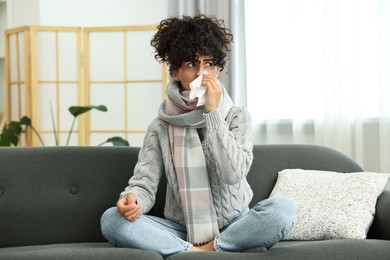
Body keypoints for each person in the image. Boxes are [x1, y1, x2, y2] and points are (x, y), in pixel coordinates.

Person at [100, 14, 295, 258]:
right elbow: (144, 184)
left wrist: (213, 114)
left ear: (219, 69)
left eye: (209, 64)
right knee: (111, 220)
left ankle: (208, 249)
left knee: (282, 210)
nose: (202, 74)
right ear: (175, 72)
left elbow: (232, 174)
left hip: (236, 223)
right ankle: (194, 250)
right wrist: (132, 199)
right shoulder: (160, 126)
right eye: (192, 64)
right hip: (182, 229)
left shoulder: (237, 116)